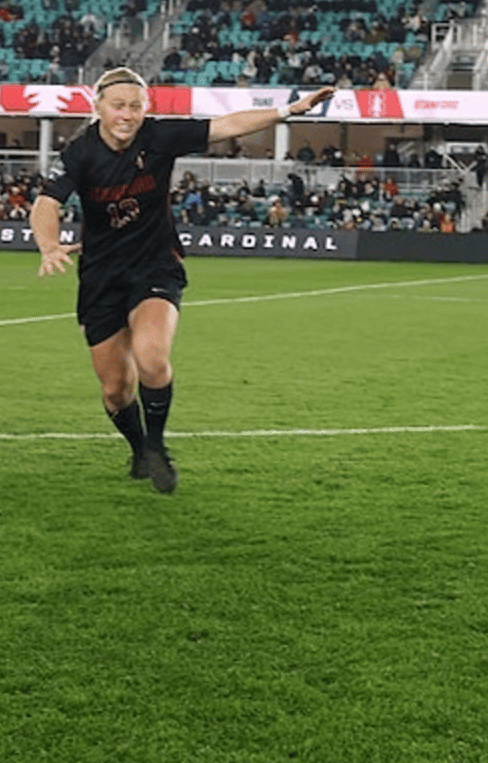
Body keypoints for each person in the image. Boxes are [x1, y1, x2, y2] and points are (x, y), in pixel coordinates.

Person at [29, 67, 333, 493]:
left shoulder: (159, 137)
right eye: (118, 106)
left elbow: (227, 125)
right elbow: (46, 203)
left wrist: (288, 110)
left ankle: (156, 446)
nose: (127, 115)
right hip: (101, 274)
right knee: (116, 389)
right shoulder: (80, 153)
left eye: (136, 106)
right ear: (97, 107)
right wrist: (48, 244)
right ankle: (137, 448)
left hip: (155, 263)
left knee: (152, 357)